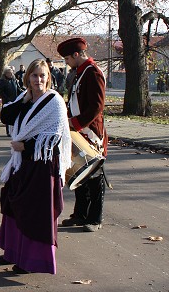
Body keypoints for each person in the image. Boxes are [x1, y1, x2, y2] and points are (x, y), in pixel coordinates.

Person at [0, 59, 72, 274]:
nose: (39, 80)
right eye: (34, 75)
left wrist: (25, 147)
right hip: (22, 164)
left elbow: (53, 138)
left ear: (49, 77)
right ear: (27, 77)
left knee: (35, 215)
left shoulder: (54, 101)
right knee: (14, 207)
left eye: (42, 75)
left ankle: (32, 261)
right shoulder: (25, 98)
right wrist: (24, 100)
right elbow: (6, 116)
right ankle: (12, 251)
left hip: (42, 166)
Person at [57, 37, 108, 232]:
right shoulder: (80, 72)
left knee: (94, 176)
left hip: (90, 131)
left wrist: (76, 124)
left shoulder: (93, 72)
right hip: (78, 130)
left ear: (76, 55)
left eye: (67, 58)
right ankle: (80, 214)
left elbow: (96, 106)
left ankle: (95, 218)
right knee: (80, 174)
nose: (66, 62)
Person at [0, 67, 22, 136]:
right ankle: (8, 131)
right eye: (9, 73)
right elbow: (1, 92)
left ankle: (14, 131)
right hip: (7, 102)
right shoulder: (2, 81)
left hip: (15, 100)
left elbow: (18, 89)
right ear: (5, 74)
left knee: (15, 116)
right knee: (8, 116)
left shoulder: (14, 80)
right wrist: (7, 99)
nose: (11, 74)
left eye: (12, 72)